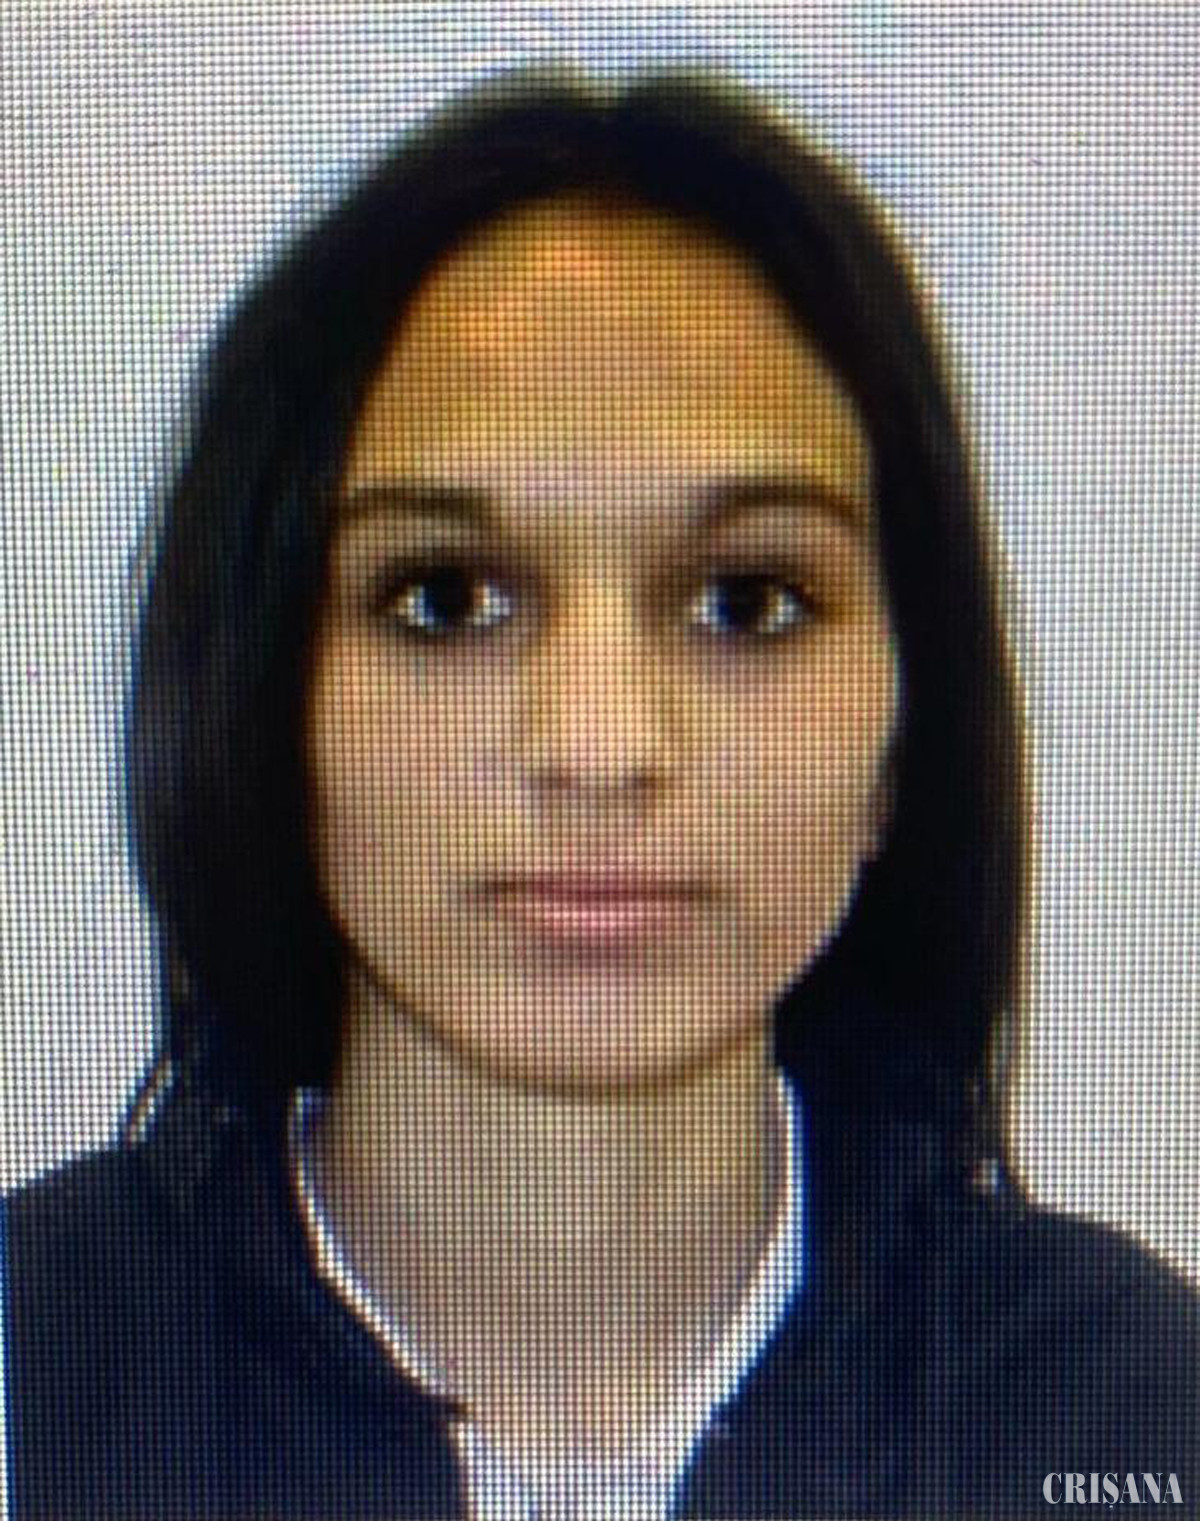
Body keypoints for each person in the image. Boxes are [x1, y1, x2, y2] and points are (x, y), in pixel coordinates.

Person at [4, 62, 1197, 1521]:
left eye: (746, 601)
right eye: (447, 599)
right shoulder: (29, 1377)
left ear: (903, 734)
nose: (599, 746)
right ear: (265, 697)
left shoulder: (1129, 1409)